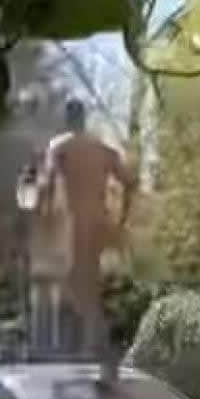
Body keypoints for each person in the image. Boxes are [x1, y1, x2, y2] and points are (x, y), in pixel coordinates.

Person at [35, 99, 136, 382]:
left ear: (67, 119)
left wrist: (42, 218)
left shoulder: (60, 146)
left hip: (72, 225)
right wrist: (121, 220)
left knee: (70, 287)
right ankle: (93, 350)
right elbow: (130, 181)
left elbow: (47, 184)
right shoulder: (102, 149)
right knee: (87, 288)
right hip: (99, 224)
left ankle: (90, 350)